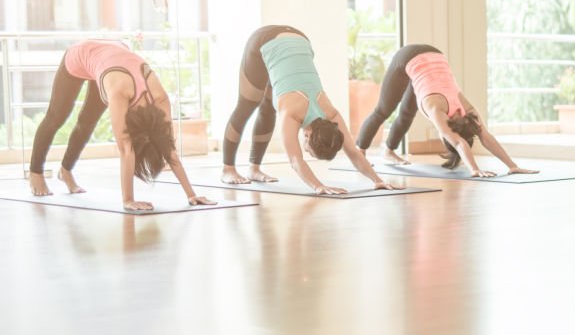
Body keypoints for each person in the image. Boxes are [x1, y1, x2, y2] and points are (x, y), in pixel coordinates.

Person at [28, 39, 215, 210]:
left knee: (87, 122)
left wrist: (191, 195)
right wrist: (128, 200)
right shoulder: (118, 94)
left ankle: (65, 171)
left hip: (114, 54)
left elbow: (169, 148)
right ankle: (35, 173)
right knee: (56, 117)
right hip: (82, 54)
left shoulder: (160, 98)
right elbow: (126, 149)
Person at [221, 25, 399, 194]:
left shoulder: (331, 114)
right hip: (263, 40)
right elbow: (295, 160)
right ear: (307, 136)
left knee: (268, 108)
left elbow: (352, 151)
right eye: (308, 149)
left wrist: (377, 180)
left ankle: (254, 169)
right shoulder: (291, 114)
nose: (304, 150)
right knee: (247, 105)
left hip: (300, 39)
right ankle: (228, 169)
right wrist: (318, 186)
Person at [356, 44, 536, 177]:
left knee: (407, 113)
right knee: (383, 110)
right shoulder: (436, 109)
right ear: (445, 136)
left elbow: (483, 136)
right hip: (407, 58)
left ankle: (389, 150)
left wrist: (512, 166)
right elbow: (459, 143)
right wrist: (475, 169)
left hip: (435, 55)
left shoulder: (466, 109)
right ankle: (360, 153)